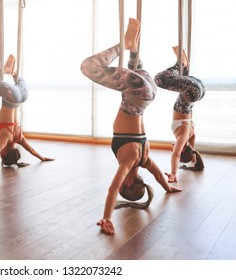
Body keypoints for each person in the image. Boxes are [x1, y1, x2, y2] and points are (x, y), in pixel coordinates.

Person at [80, 18, 182, 235]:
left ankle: (134, 51)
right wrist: (107, 217)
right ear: (128, 183)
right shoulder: (129, 161)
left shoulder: (144, 159)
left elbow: (157, 176)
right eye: (125, 184)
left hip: (148, 92)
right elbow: (112, 189)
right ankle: (125, 45)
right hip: (137, 93)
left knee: (133, 70)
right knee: (89, 67)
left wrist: (167, 188)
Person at [0, 55, 54, 179]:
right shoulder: (6, 138)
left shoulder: (19, 138)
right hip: (11, 96)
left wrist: (42, 158)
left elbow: (31, 150)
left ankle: (14, 72)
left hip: (23, 96)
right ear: (5, 152)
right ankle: (5, 70)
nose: (0, 153)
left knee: (19, 80)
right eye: (2, 154)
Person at [154, 46, 206, 182]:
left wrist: (193, 158)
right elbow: (176, 155)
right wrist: (173, 173)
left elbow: (192, 148)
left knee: (179, 78)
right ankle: (181, 63)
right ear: (182, 149)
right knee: (160, 79)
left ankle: (183, 63)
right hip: (191, 91)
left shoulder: (190, 135)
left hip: (198, 92)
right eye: (176, 149)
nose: (173, 150)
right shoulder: (182, 136)